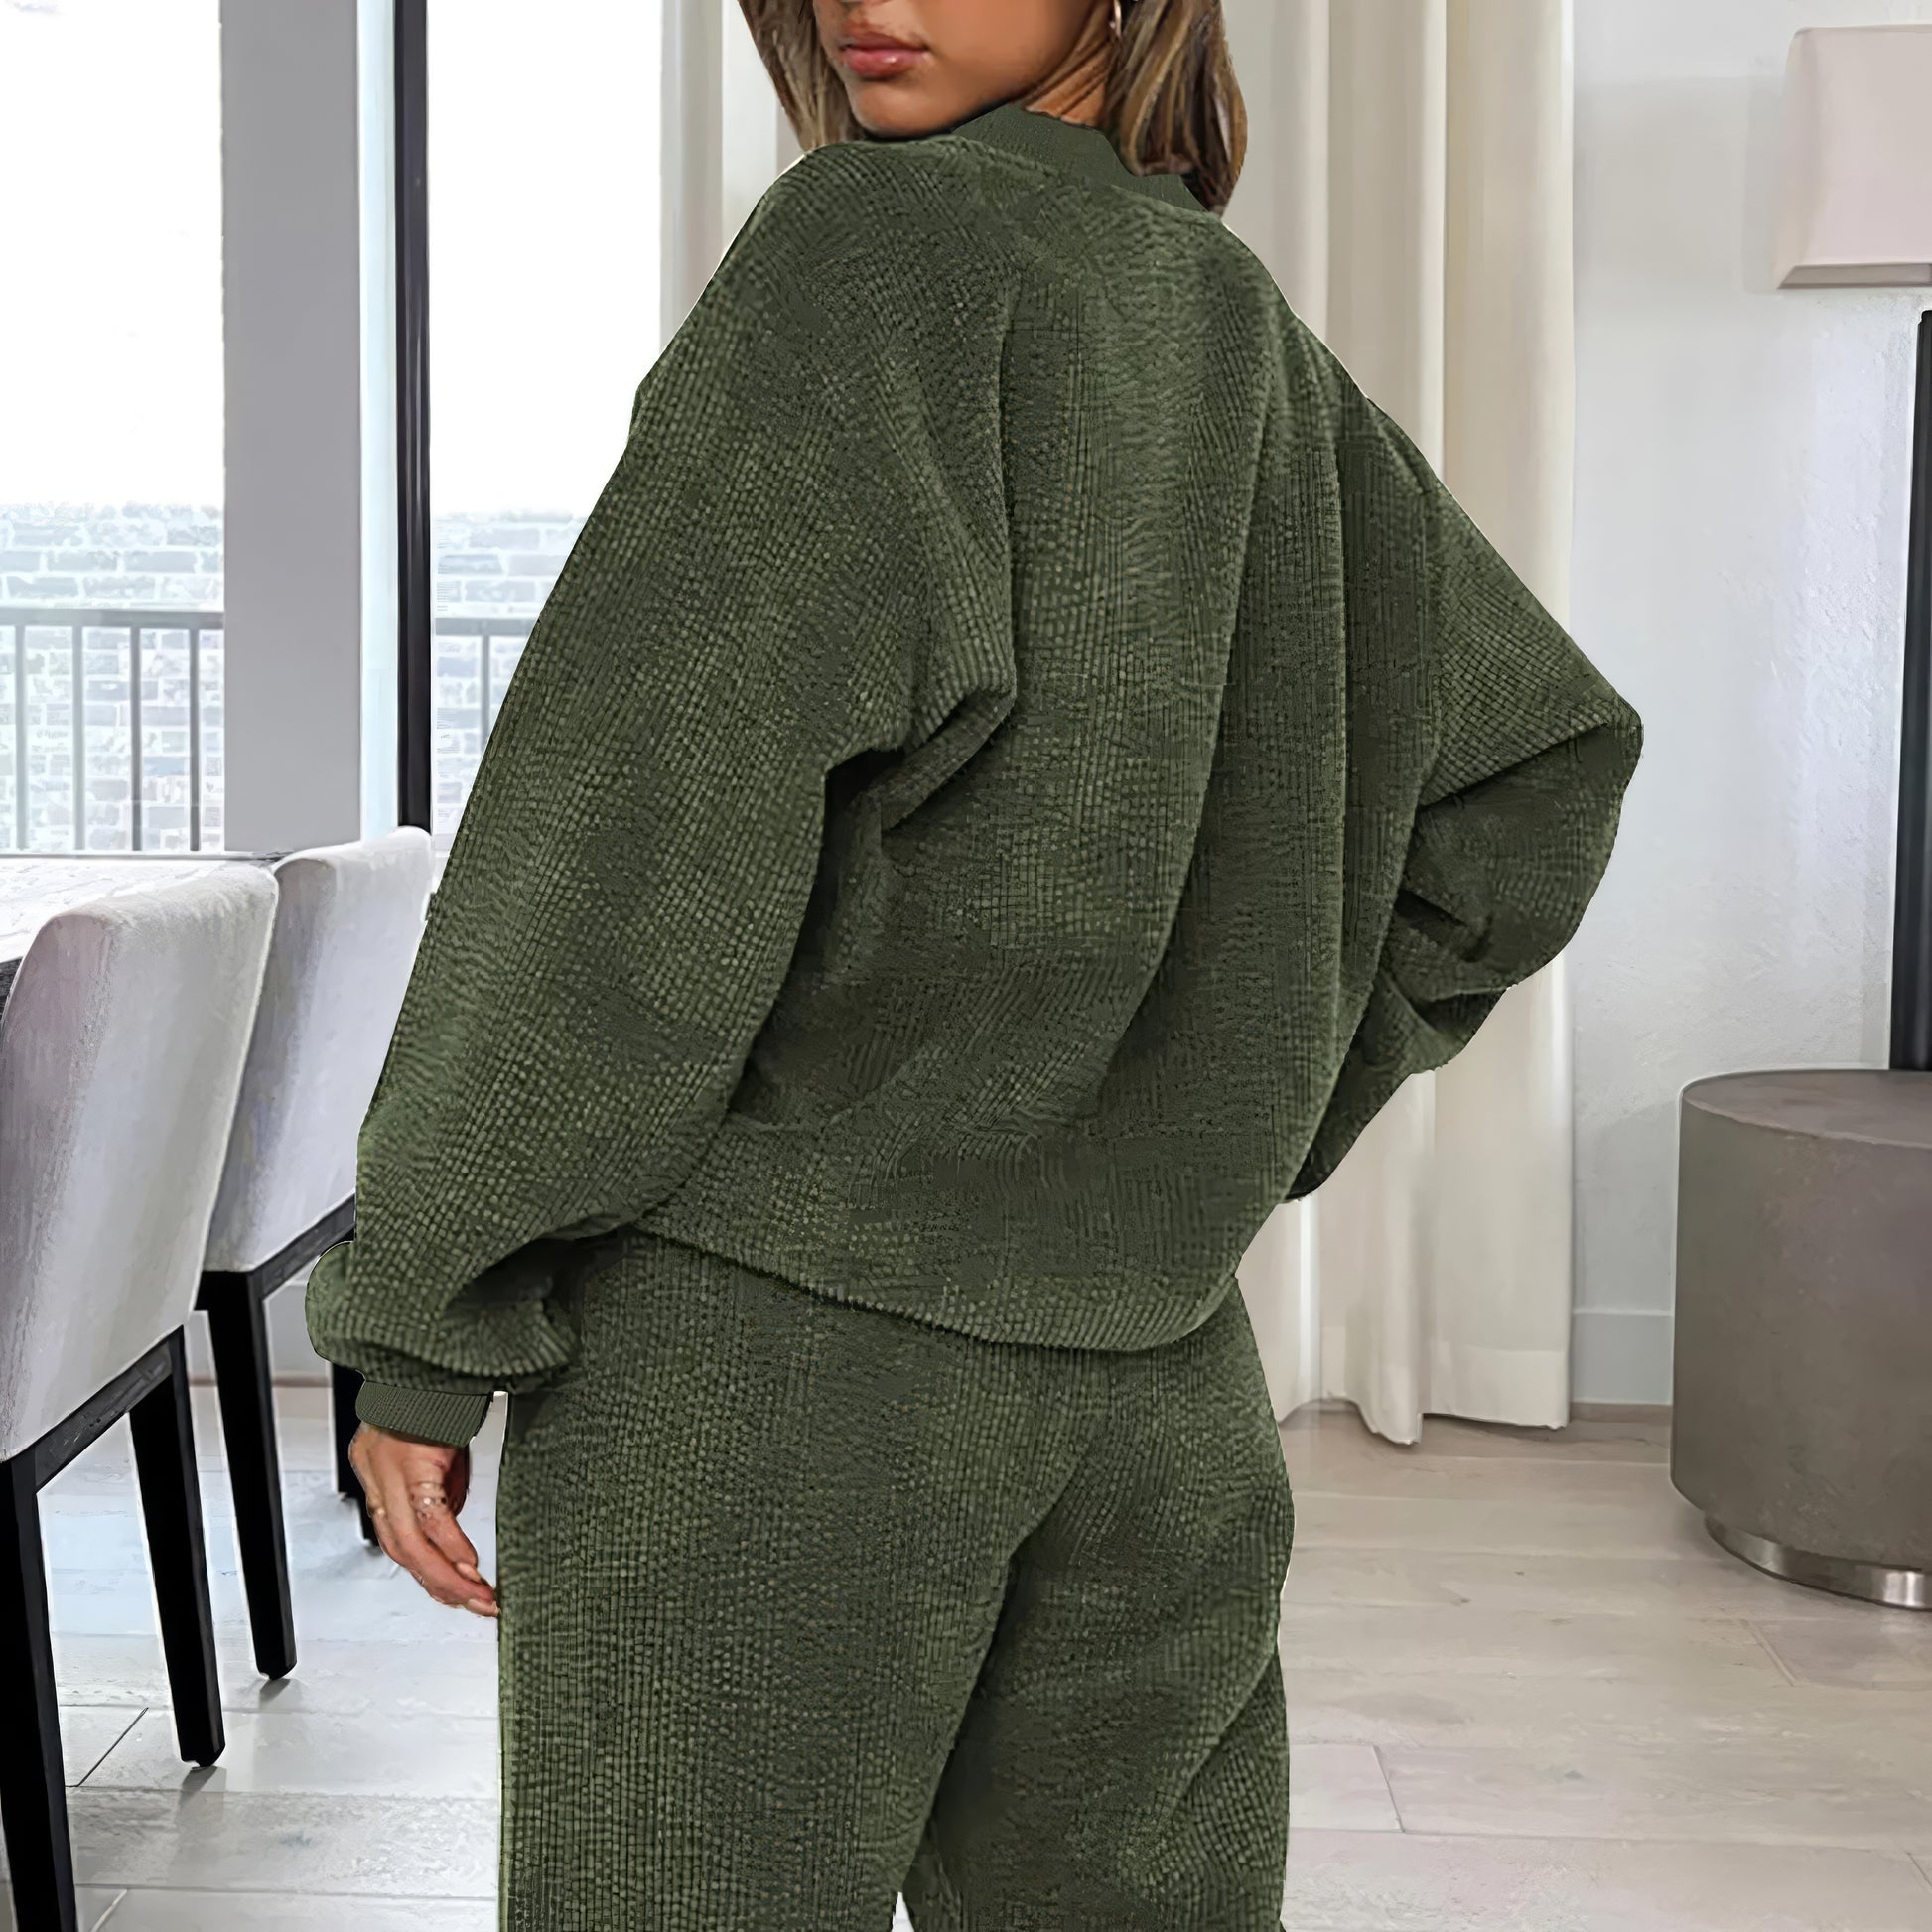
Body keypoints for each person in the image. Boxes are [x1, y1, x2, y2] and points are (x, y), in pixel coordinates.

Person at [306, 1, 1644, 1925]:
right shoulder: (1234, 322)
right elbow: (1531, 780)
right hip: (1156, 1383)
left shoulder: (876, 245)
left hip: (775, 1362)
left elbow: (630, 837)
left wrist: (428, 1313)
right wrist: (1218, 1114)